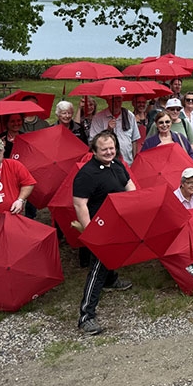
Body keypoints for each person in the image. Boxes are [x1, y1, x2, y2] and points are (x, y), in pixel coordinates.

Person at [73, 130, 136, 335]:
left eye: (112, 148)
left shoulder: (117, 164)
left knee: (115, 256)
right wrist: (91, 231)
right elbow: (80, 204)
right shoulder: (86, 174)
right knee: (98, 267)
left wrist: (136, 207)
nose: (109, 152)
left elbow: (129, 187)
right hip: (100, 226)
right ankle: (86, 316)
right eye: (104, 149)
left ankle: (111, 280)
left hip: (119, 222)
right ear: (94, 150)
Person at [89, 95, 142, 166]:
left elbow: (134, 140)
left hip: (127, 162)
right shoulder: (98, 118)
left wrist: (135, 161)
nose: (116, 104)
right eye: (113, 101)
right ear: (107, 101)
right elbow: (93, 142)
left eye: (119, 101)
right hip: (106, 163)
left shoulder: (129, 115)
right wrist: (108, 130)